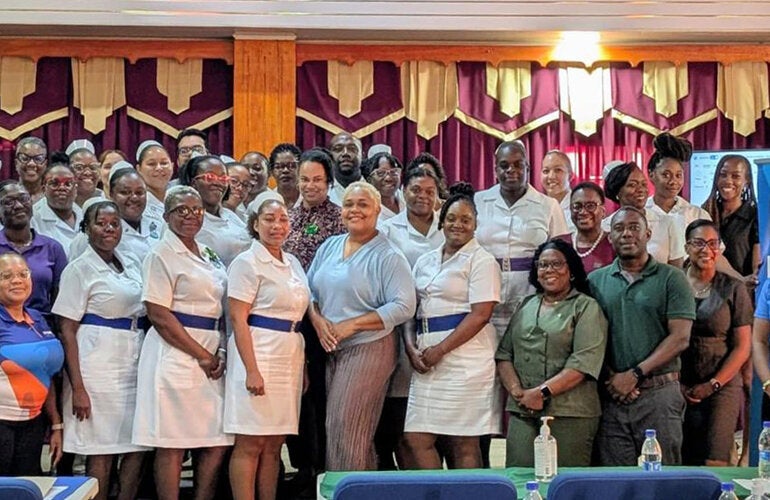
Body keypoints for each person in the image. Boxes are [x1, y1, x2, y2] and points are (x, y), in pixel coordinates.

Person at [307, 181, 416, 471]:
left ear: (378, 210)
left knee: (348, 427)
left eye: (363, 204)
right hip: (330, 346)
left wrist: (351, 326)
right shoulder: (329, 245)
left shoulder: (388, 255)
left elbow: (404, 305)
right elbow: (308, 291)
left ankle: (352, 489)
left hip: (369, 347)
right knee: (336, 428)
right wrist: (317, 321)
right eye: (349, 204)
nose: (355, 210)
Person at [132, 185, 232, 499]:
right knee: (172, 441)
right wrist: (202, 355)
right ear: (166, 216)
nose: (190, 215)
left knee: (216, 439)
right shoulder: (160, 253)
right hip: (175, 352)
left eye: (196, 209)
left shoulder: (209, 252)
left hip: (212, 349)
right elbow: (158, 313)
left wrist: (220, 349)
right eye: (181, 210)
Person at [402, 183, 501, 469]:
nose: (458, 224)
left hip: (465, 361)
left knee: (464, 441)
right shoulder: (424, 261)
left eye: (466, 219)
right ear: (441, 221)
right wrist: (411, 348)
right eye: (452, 218)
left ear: (475, 225)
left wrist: (441, 350)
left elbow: (481, 314)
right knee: (416, 437)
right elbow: (411, 308)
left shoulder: (482, 261)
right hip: (425, 358)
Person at [54, 201, 147, 500]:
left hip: (132, 360)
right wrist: (78, 387)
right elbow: (66, 329)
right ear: (86, 228)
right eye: (101, 223)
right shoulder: (78, 269)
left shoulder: (131, 261)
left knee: (136, 447)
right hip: (96, 367)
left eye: (114, 223)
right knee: (102, 450)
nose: (109, 229)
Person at [588, 206, 695, 466]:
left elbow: (680, 338)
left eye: (634, 227)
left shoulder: (673, 278)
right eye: (619, 229)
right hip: (612, 395)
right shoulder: (594, 281)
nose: (627, 234)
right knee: (616, 483)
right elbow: (588, 339)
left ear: (648, 233)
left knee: (662, 480)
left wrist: (635, 374)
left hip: (659, 393)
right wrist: (614, 378)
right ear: (609, 237)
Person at [225, 198, 309, 500]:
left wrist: (304, 367)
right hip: (259, 351)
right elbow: (238, 317)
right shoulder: (246, 262)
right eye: (269, 219)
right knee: (250, 442)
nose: (277, 226)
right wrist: (252, 370)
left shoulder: (293, 263)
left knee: (275, 443)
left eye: (283, 220)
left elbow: (299, 315)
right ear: (255, 223)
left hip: (290, 354)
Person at [496, 239, 607, 467]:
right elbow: (505, 354)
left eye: (556, 264)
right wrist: (517, 392)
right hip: (523, 411)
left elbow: (583, 363)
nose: (549, 270)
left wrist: (541, 393)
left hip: (570, 413)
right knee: (520, 480)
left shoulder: (586, 307)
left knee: (563, 485)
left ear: (572, 270)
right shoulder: (526, 304)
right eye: (543, 265)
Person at [282, 148, 345, 489]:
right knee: (296, 395)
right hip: (289, 318)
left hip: (325, 318)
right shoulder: (286, 217)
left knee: (321, 394)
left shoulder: (338, 218)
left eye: (318, 180)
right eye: (305, 179)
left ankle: (323, 467)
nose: (310, 186)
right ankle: (302, 466)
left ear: (329, 182)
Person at [377, 166, 444, 469]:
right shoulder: (389, 230)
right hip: (399, 331)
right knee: (403, 418)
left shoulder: (448, 226)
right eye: (416, 190)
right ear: (404, 192)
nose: (423, 196)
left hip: (441, 329)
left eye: (430, 191)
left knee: (439, 416)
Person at [679, 219, 751, 466]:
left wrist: (713, 384)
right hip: (678, 384)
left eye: (712, 244)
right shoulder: (673, 283)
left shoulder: (733, 288)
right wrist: (676, 384)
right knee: (681, 460)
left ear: (720, 248)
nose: (706, 250)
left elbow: (743, 346)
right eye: (699, 243)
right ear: (687, 246)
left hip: (722, 384)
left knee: (715, 461)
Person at [0, 252, 64, 475]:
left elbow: (44, 373)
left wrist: (55, 423)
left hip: (34, 423)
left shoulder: (38, 318)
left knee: (28, 487)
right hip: (2, 423)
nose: (16, 280)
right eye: (6, 276)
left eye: (23, 274)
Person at [0, 181, 67, 320]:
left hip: (43, 326)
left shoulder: (53, 248)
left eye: (23, 199)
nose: (18, 206)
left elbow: (61, 302)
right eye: (8, 202)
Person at [70, 166, 161, 264]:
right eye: (125, 192)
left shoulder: (159, 224)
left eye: (139, 192)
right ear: (111, 195)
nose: (134, 198)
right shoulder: (91, 234)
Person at [603, 161, 685, 267]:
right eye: (632, 185)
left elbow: (677, 271)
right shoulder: (605, 226)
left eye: (643, 184)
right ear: (617, 192)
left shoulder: (667, 223)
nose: (641, 190)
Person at [180, 155, 250, 267]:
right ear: (193, 183)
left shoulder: (231, 216)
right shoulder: (185, 222)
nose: (218, 183)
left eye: (223, 179)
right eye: (210, 177)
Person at [701, 154, 760, 281]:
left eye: (736, 176)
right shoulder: (704, 212)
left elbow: (758, 262)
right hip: (707, 292)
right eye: (723, 175)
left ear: (747, 181)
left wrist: (753, 279)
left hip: (741, 292)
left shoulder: (755, 215)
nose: (728, 180)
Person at [644, 133, 710, 228]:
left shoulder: (697, 215)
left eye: (678, 175)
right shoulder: (640, 213)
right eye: (666, 175)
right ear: (651, 174)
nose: (673, 181)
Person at [31, 155, 83, 257]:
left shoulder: (85, 215)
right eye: (54, 184)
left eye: (68, 184)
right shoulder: (33, 219)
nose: (62, 188)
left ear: (76, 189)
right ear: (43, 189)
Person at [558, 182, 615, 272]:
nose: (583, 212)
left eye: (590, 206)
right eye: (577, 206)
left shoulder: (614, 244)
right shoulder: (559, 244)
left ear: (603, 211)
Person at [135, 140, 174, 232]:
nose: (159, 168)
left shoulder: (179, 198)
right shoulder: (135, 204)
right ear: (138, 169)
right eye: (151, 164)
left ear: (172, 166)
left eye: (164, 163)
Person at [363, 152, 404, 221]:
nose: (388, 178)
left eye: (394, 172)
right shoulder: (366, 211)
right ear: (369, 179)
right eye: (381, 173)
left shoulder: (407, 199)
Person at [540, 150, 574, 230]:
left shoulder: (579, 208)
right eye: (546, 171)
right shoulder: (536, 207)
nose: (551, 176)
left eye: (558, 170)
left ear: (570, 175)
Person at [327, 132, 364, 206]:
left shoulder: (376, 191)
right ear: (329, 157)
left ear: (362, 155)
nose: (345, 153)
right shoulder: (321, 193)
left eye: (352, 149)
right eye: (338, 149)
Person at [66, 139, 103, 206]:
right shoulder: (56, 201)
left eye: (93, 167)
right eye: (79, 167)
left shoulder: (106, 201)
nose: (87, 173)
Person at [14, 136, 48, 205]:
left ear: (45, 164)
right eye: (25, 158)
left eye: (38, 159)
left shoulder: (54, 199)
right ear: (16, 163)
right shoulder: (4, 198)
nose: (31, 164)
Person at [268, 144, 301, 209]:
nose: (285, 171)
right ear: (272, 171)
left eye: (291, 166)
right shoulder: (267, 201)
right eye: (279, 167)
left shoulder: (310, 199)